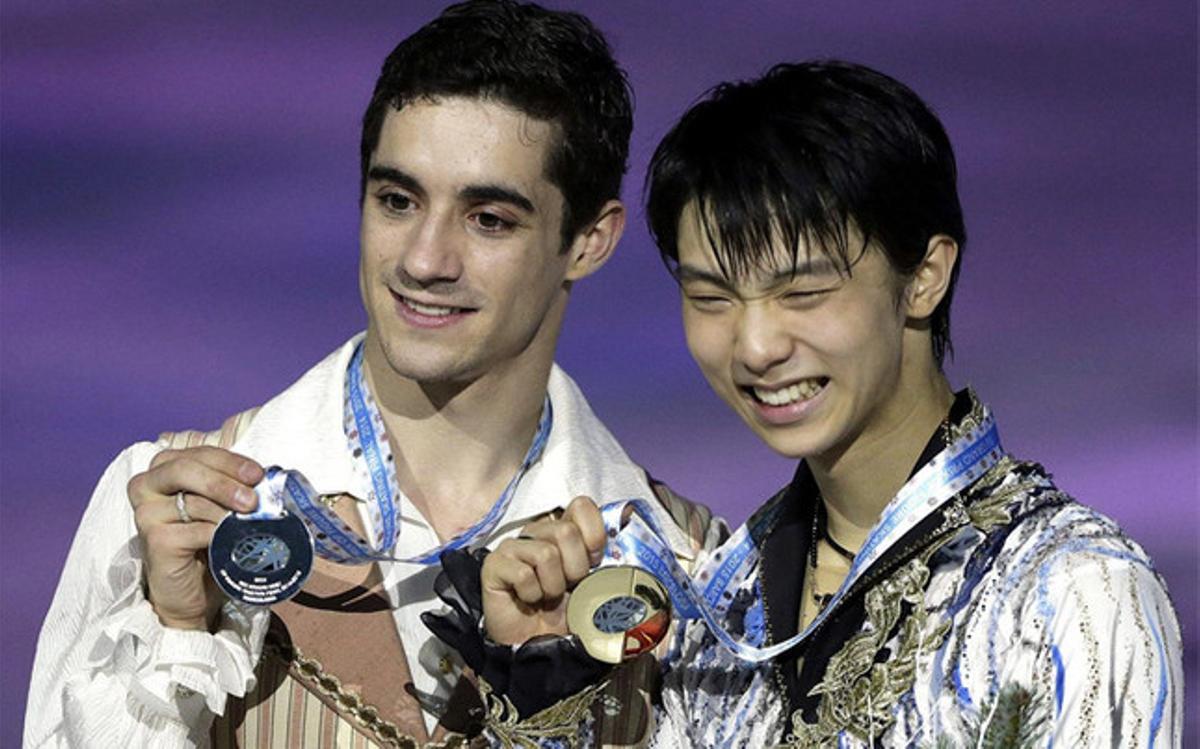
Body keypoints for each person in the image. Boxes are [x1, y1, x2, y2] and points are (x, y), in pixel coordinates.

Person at [24, 2, 723, 746]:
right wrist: (178, 627)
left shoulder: (683, 568)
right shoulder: (168, 509)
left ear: (588, 241)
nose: (424, 260)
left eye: (488, 219)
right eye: (397, 200)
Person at [438, 61, 1184, 746]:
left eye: (804, 292)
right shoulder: (719, 603)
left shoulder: (1071, 593)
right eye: (712, 297)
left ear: (924, 275)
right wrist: (542, 674)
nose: (756, 345)